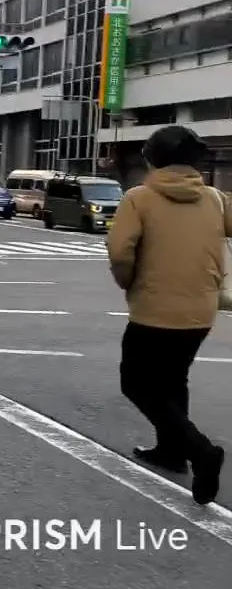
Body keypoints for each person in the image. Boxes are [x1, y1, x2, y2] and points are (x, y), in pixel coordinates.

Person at [107, 124, 229, 505]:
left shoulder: (139, 198)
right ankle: (171, 451)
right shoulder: (214, 199)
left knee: (136, 383)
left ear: (153, 159)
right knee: (174, 379)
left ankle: (200, 450)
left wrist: (130, 282)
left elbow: (120, 252)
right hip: (201, 310)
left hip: (154, 308)